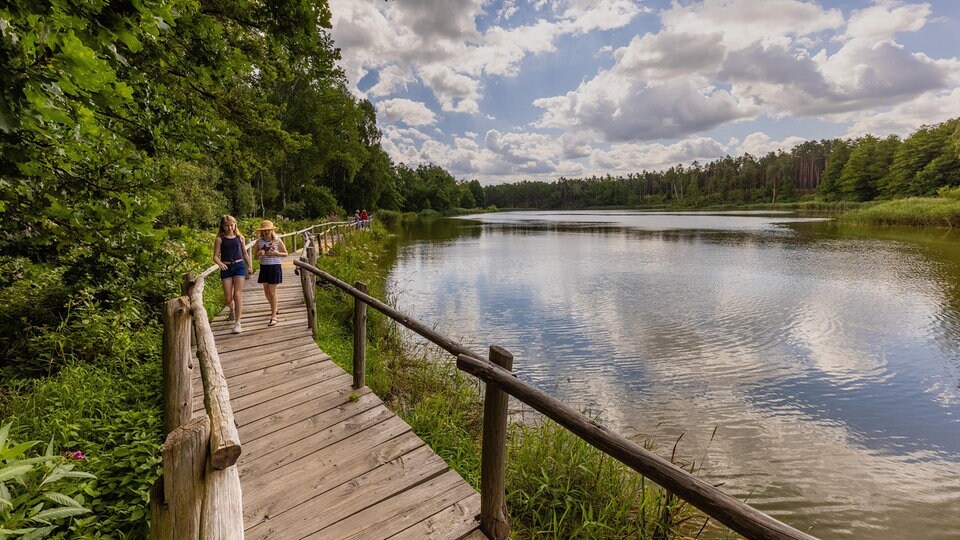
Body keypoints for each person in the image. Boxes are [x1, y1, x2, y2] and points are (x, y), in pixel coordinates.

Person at [213, 215, 251, 334]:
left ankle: (238, 323)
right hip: (226, 267)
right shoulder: (220, 239)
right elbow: (215, 256)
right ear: (222, 226)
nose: (230, 227)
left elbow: (244, 253)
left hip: (239, 266)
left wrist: (249, 266)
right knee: (228, 298)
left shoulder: (240, 238)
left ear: (235, 225)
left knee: (237, 295)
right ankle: (232, 309)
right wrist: (220, 263)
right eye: (227, 225)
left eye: (232, 225)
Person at [253, 220, 288, 327]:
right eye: (264, 230)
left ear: (272, 230)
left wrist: (276, 253)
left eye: (268, 229)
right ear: (261, 232)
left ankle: (273, 316)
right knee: (267, 293)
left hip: (274, 267)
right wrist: (259, 253)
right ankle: (275, 307)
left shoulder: (278, 241)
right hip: (264, 267)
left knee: (272, 292)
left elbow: (286, 253)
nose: (267, 232)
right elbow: (254, 257)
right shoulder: (259, 242)